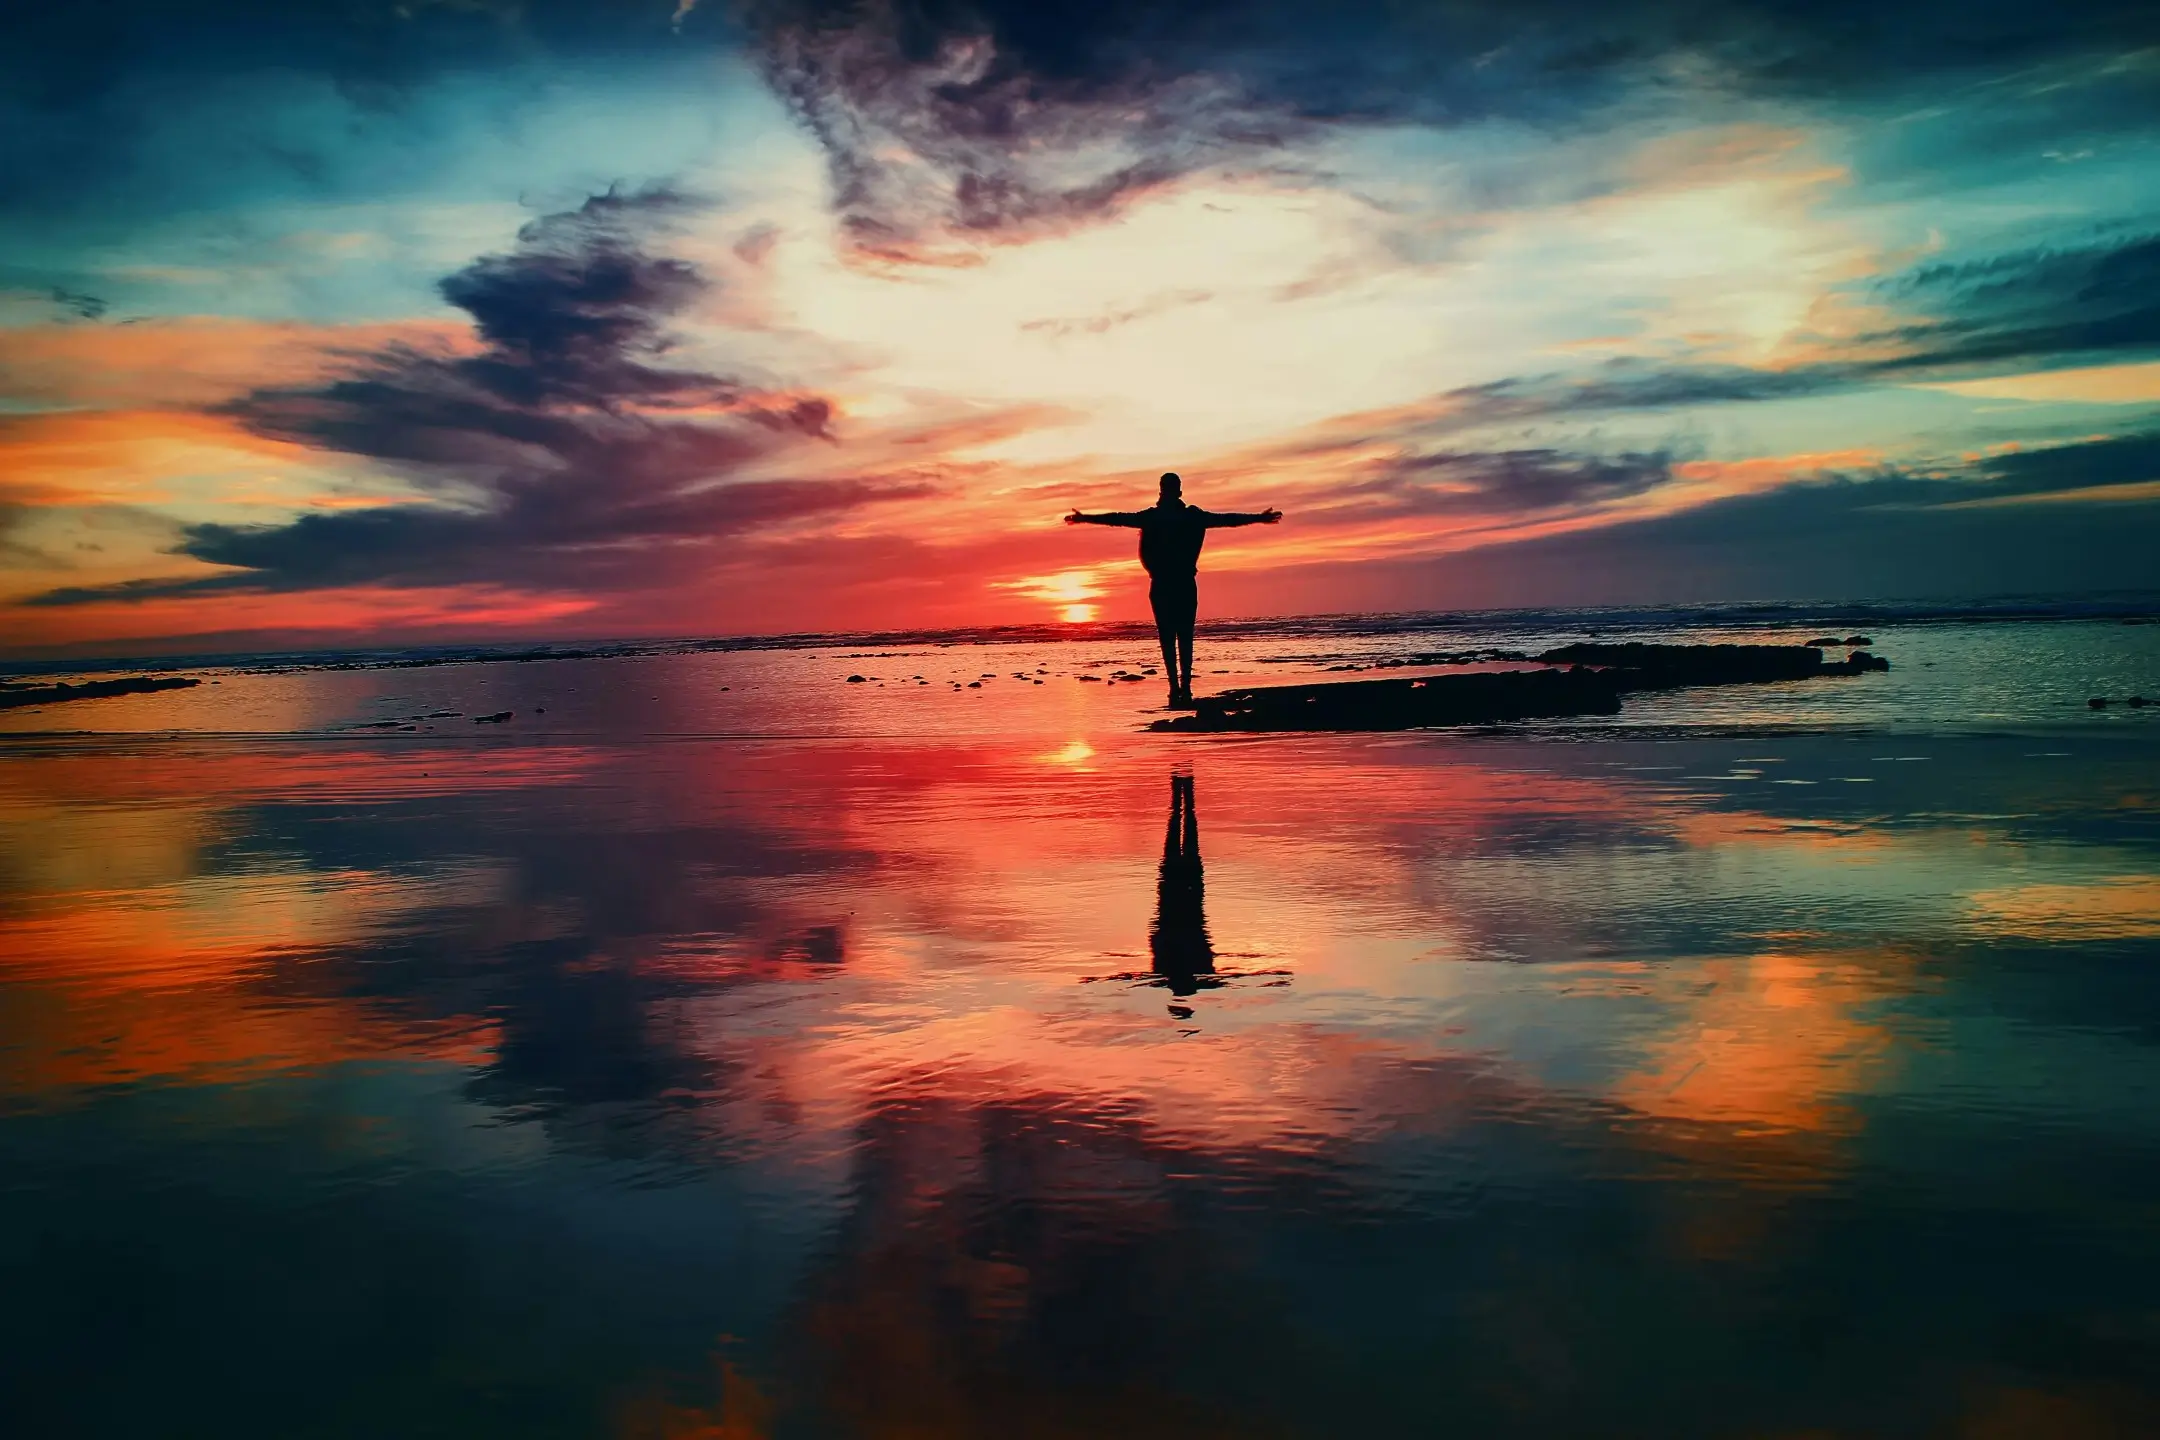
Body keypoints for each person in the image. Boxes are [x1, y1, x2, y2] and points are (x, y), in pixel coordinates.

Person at [1065, 472, 1282, 707]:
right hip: (1180, 583)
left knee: (1169, 637)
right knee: (1183, 635)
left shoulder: (1160, 517)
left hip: (1165, 584)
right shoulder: (1185, 517)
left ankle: (1176, 687)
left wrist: (1085, 518)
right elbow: (1226, 519)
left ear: (1162, 491)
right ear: (1178, 492)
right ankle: (1182, 687)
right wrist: (1258, 518)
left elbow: (1119, 518)